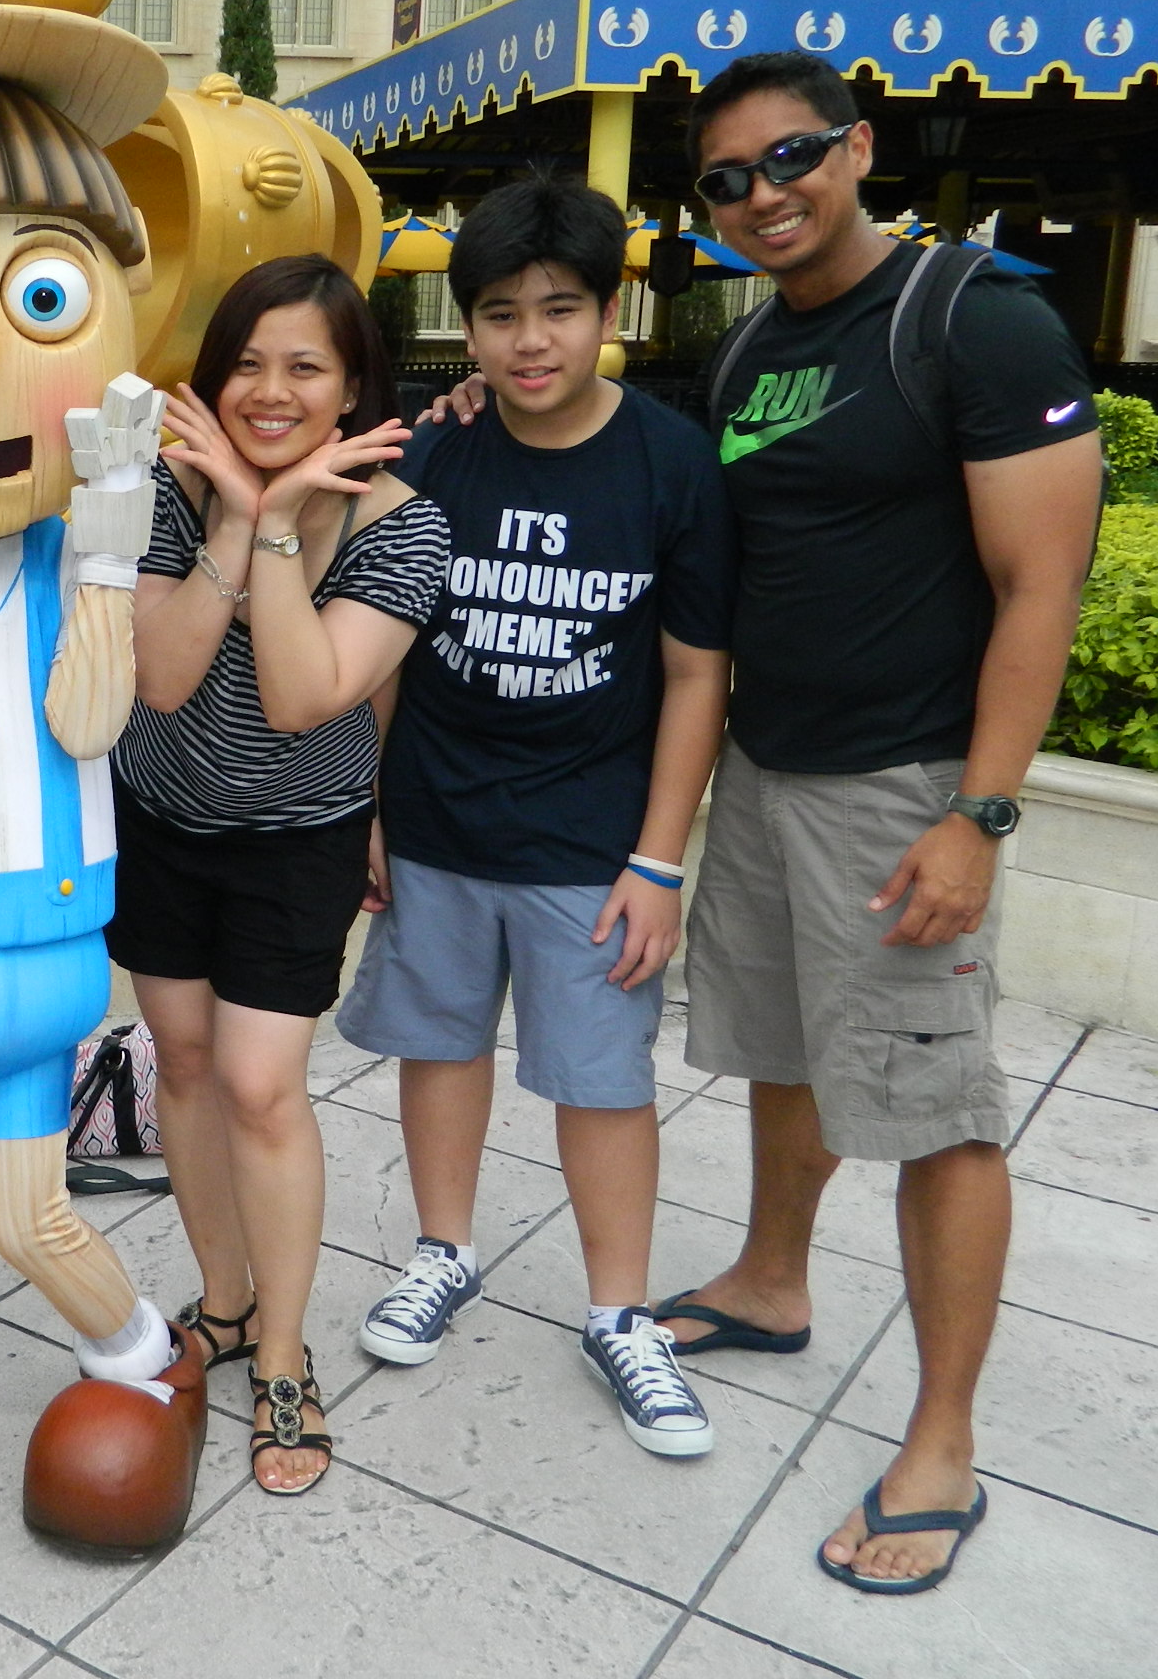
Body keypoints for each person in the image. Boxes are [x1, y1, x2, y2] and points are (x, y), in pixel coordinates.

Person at [431, 52, 1101, 1592]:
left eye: (790, 158)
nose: (763, 196)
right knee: (780, 1052)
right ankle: (773, 1280)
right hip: (764, 774)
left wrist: (978, 814)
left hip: (904, 784)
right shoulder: (746, 358)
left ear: (858, 148)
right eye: (726, 179)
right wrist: (483, 397)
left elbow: (1039, 587)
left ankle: (945, 1439)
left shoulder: (975, 320)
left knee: (938, 1108)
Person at [335, 176, 735, 1459]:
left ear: (607, 309)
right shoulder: (433, 445)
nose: (532, 340)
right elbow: (386, 645)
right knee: (437, 1043)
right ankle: (442, 1254)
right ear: (469, 326)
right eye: (501, 314)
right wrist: (372, 806)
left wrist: (660, 860)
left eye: (562, 309)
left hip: (593, 843)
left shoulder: (671, 462)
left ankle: (620, 1313)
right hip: (441, 816)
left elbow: (695, 673)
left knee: (600, 1079)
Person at [112, 252, 447, 1495]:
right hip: (162, 814)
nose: (269, 390)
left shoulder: (410, 527)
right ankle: (224, 1301)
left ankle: (287, 1354)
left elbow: (308, 697)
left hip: (299, 834)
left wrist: (278, 531)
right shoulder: (166, 489)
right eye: (246, 362)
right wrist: (242, 517)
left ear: (353, 383)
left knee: (261, 1085)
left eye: (305, 366)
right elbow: (163, 677)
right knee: (185, 1065)